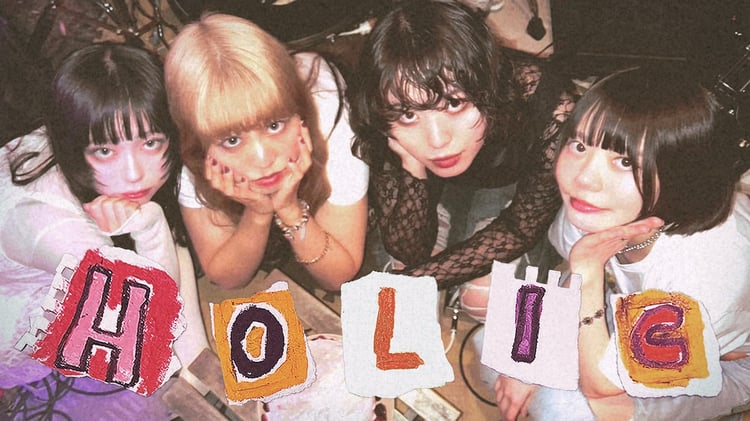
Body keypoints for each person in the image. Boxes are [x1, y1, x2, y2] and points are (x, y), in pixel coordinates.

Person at [494, 66, 750, 420]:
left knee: (575, 410)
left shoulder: (706, 270)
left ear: (680, 175)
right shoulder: (601, 204)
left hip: (729, 361)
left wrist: (587, 270)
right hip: (631, 310)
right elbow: (563, 270)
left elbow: (604, 389)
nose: (584, 178)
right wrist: (526, 356)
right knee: (503, 344)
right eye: (580, 146)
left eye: (625, 161)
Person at [0, 42, 208, 418]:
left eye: (151, 142)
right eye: (105, 151)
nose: (134, 174)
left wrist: (200, 375)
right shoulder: (54, 227)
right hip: (34, 366)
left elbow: (173, 264)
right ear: (74, 144)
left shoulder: (75, 130)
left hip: (82, 310)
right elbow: (149, 343)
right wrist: (152, 226)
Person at [348, 0, 577, 319]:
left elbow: (520, 229)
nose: (437, 140)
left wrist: (413, 280)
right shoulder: (382, 112)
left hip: (509, 180)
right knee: (405, 289)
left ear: (487, 88)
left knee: (484, 300)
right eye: (409, 114)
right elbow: (409, 250)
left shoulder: (547, 103)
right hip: (436, 187)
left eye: (454, 103)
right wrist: (411, 166)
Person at [163, 13, 369, 291]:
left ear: (299, 114)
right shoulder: (195, 133)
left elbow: (338, 276)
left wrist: (289, 210)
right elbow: (227, 277)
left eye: (274, 125)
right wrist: (257, 213)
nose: (263, 159)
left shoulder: (329, 113)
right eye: (232, 140)